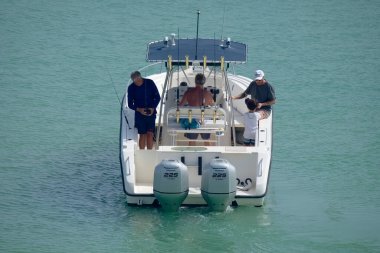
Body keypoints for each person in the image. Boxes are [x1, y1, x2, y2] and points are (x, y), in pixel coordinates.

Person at [127, 71, 160, 149]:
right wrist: (139, 110)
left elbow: (157, 97)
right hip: (139, 114)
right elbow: (130, 104)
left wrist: (153, 108)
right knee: (142, 134)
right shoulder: (131, 88)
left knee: (150, 134)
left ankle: (149, 152)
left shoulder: (150, 83)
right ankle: (142, 151)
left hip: (151, 113)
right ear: (133, 81)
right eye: (135, 81)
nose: (137, 82)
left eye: (139, 80)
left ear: (141, 77)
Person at [179, 73, 214, 145]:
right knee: (206, 140)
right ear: (204, 82)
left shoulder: (188, 92)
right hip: (203, 121)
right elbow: (213, 105)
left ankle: (191, 155)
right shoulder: (207, 93)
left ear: (195, 81)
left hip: (192, 121)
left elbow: (180, 106)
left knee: (192, 141)